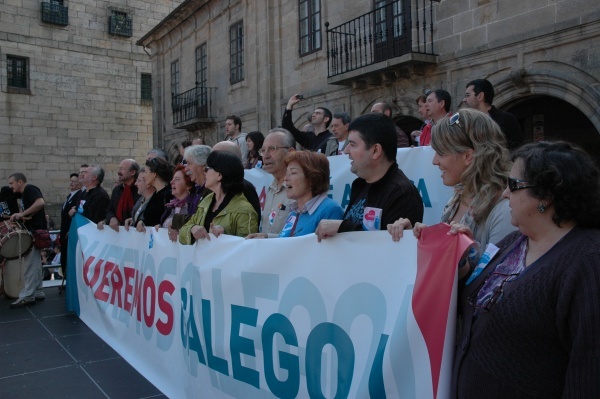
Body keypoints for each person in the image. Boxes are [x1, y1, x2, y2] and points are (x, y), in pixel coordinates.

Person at [452, 141, 600, 398]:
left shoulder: (587, 261)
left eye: (513, 185)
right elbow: (476, 299)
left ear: (545, 197)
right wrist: (461, 261)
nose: (505, 194)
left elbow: (588, 369)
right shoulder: (513, 241)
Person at [388, 109, 516, 268]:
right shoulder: (456, 200)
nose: (434, 161)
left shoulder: (504, 210)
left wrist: (465, 258)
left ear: (468, 156)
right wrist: (414, 239)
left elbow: (494, 284)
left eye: (440, 153)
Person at [315, 113, 424, 240]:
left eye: (353, 144)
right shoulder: (359, 185)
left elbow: (388, 247)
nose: (346, 151)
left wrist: (342, 227)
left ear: (375, 151)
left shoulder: (402, 194)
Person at [179, 151, 258, 243]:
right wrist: (192, 228)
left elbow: (248, 247)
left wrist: (226, 235)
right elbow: (182, 233)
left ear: (219, 175)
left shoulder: (244, 210)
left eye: (207, 168)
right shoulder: (206, 201)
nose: (204, 172)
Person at [278, 152, 344, 237]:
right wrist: (266, 237)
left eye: (293, 173)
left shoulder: (330, 210)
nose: (286, 178)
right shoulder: (294, 212)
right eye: (286, 173)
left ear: (312, 179)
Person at [246, 128, 296, 239]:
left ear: (291, 152)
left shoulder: (299, 190)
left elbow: (302, 236)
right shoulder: (271, 188)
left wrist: (267, 237)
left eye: (272, 149)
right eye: (263, 150)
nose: (266, 155)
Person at [7, 173, 47, 307]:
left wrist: (22, 213)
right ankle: (38, 291)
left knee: (30, 264)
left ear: (20, 182)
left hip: (34, 232)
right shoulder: (25, 194)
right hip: (34, 231)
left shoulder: (30, 189)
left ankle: (28, 295)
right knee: (34, 263)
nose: (10, 186)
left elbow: (40, 202)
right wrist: (24, 216)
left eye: (12, 183)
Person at [463, 78, 524, 150]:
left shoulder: (506, 119)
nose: (464, 100)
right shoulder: (465, 123)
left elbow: (517, 150)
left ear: (480, 96)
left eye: (468, 95)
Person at [132, 157, 174, 231]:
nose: (144, 176)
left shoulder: (168, 195)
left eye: (146, 172)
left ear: (154, 174)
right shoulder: (155, 194)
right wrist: (142, 221)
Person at [155, 164, 193, 242]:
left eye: (177, 179)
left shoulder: (192, 205)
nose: (172, 182)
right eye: (173, 179)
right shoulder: (171, 205)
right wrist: (160, 227)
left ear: (188, 185)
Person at [101, 159, 140, 231]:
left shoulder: (140, 190)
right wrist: (112, 218)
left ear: (133, 172)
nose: (119, 172)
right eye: (119, 168)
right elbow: (110, 209)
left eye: (122, 169)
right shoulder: (117, 190)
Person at [59, 173, 83, 279]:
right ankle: (65, 276)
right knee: (64, 256)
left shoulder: (79, 196)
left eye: (74, 181)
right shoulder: (70, 196)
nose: (71, 183)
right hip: (64, 232)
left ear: (79, 184)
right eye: (70, 181)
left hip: (70, 231)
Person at [183, 144, 212, 216]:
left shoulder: (212, 191)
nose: (186, 169)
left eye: (189, 163)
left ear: (203, 165)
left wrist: (175, 221)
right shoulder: (197, 191)